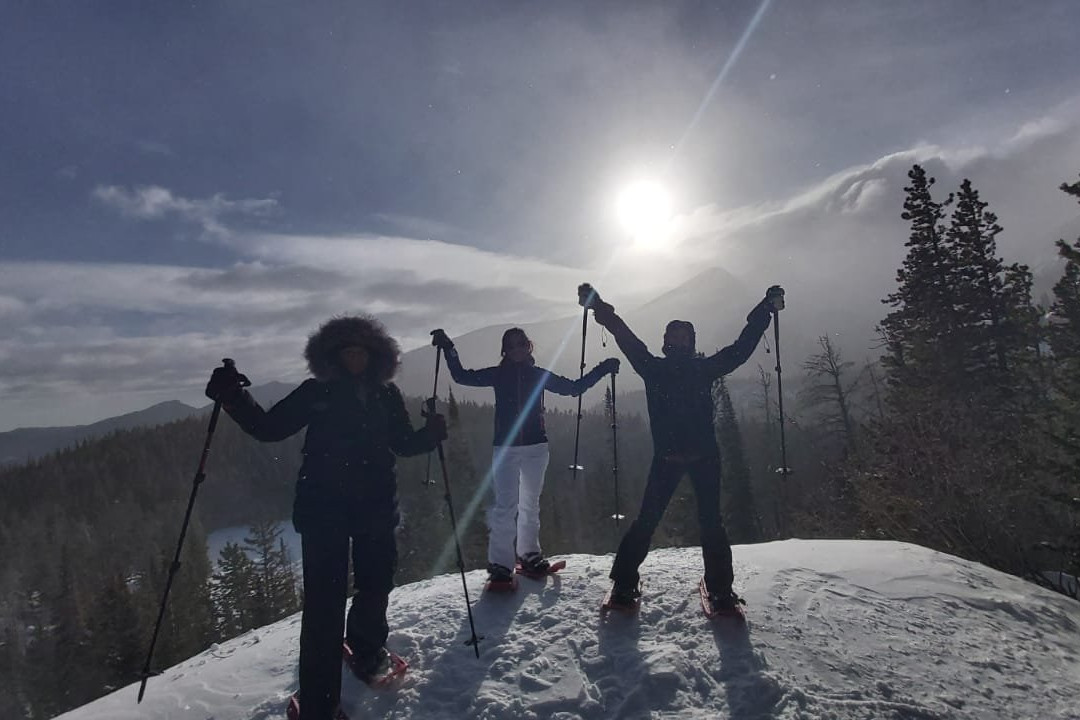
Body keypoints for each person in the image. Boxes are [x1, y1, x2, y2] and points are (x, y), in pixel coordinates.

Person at [205, 315, 446, 720]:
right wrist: (233, 397)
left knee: (376, 584)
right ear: (333, 356)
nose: (355, 358)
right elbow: (268, 428)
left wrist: (431, 434)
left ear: (375, 357)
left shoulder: (387, 396)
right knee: (324, 607)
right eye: (347, 351)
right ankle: (319, 705)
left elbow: (402, 444)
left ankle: (367, 650)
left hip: (375, 508)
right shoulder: (316, 392)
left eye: (362, 351)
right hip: (324, 512)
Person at [579, 283, 785, 611]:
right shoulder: (673, 367)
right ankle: (638, 585)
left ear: (689, 342)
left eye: (683, 335)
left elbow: (741, 348)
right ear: (667, 342)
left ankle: (634, 585)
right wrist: (599, 307)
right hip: (685, 457)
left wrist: (763, 311)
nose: (678, 339)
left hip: (690, 458)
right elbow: (624, 335)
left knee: (700, 522)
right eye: (674, 335)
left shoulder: (664, 367)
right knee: (668, 521)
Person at [430, 326, 619, 585]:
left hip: (535, 449)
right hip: (506, 449)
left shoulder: (537, 375)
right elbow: (462, 377)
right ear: (505, 350)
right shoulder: (500, 375)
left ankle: (529, 554)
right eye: (512, 345)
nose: (517, 349)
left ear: (528, 347)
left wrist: (602, 368)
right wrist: (449, 349)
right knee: (506, 506)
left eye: (521, 344)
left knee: (529, 504)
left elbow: (573, 388)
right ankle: (501, 565)